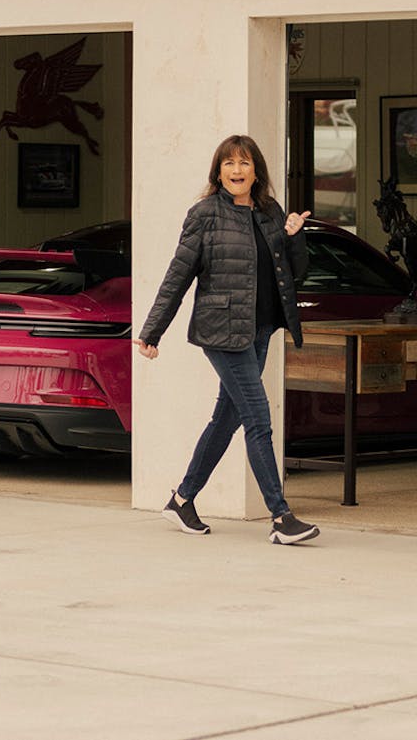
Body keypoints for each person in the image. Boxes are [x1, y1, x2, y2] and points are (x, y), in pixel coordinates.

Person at [136, 134, 319, 545]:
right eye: (228, 164)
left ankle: (182, 500)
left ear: (257, 171)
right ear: (218, 172)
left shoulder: (270, 212)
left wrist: (294, 236)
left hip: (260, 327)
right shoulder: (204, 214)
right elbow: (177, 275)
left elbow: (296, 273)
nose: (237, 171)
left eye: (245, 163)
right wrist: (153, 330)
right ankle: (281, 517)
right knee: (257, 417)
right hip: (221, 329)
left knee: (228, 417)